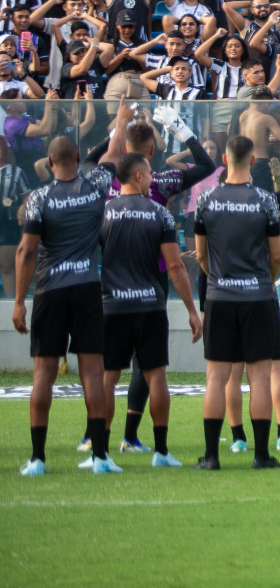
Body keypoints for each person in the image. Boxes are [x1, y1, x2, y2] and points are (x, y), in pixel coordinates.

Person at [13, 135, 116, 475]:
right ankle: (100, 456)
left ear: (49, 160)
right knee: (92, 374)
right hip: (87, 287)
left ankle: (38, 459)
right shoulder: (96, 185)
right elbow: (110, 157)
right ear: (76, 155)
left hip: (50, 290)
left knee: (43, 375)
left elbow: (26, 251)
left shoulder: (40, 198)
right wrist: (119, 123)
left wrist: (18, 301)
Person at [99, 140, 203, 469]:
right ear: (140, 176)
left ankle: (100, 455)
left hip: (113, 305)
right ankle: (160, 452)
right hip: (149, 304)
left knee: (108, 377)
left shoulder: (104, 210)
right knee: (155, 376)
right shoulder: (158, 213)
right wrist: (191, 310)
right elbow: (174, 267)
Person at [194, 134, 280, 470]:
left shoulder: (207, 200)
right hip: (259, 295)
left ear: (223, 158)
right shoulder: (264, 200)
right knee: (259, 376)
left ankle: (212, 457)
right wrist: (267, 279)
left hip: (219, 296)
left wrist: (218, 277)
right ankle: (261, 455)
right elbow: (277, 255)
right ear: (252, 161)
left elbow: (201, 256)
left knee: (216, 378)